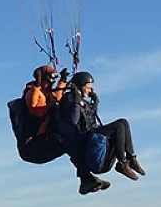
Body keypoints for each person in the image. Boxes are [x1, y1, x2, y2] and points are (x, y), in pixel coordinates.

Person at [18, 65, 110, 195]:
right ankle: (86, 179)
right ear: (42, 78)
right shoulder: (33, 92)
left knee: (73, 142)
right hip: (34, 145)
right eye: (51, 77)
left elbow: (57, 95)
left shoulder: (47, 93)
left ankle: (87, 179)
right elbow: (34, 107)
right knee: (67, 143)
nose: (53, 81)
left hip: (44, 140)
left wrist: (63, 80)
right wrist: (39, 87)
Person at [56, 71, 146, 181]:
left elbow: (91, 116)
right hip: (84, 139)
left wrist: (95, 102)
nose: (90, 90)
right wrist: (76, 101)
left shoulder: (81, 100)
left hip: (91, 133)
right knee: (118, 127)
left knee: (123, 122)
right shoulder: (69, 99)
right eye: (88, 87)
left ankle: (131, 158)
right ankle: (122, 163)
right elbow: (73, 121)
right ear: (80, 86)